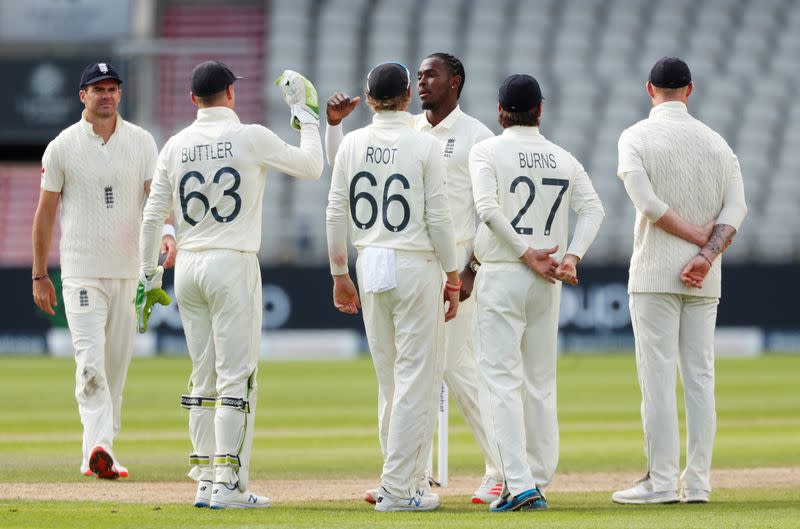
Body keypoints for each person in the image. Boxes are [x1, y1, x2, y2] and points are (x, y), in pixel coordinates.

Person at [137, 60, 323, 509]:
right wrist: (309, 117)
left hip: (188, 267)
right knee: (236, 377)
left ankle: (204, 478)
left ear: (193, 99)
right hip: (232, 262)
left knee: (203, 376)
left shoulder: (175, 145)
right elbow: (313, 166)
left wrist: (148, 275)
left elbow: (150, 216)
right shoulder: (250, 136)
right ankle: (228, 484)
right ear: (231, 94)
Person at [325, 52, 503, 505]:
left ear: (369, 99)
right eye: (418, 78)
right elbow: (434, 215)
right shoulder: (417, 137)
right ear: (405, 96)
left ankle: (498, 467)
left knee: (439, 372)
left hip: (431, 262)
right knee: (404, 380)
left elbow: (489, 211)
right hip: (421, 261)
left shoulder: (475, 136)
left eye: (432, 75)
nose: (424, 83)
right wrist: (448, 272)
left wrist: (468, 269)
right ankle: (404, 479)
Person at [32, 62, 177, 480]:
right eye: (97, 89)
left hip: (129, 273)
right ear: (83, 96)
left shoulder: (142, 142)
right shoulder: (61, 146)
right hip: (81, 272)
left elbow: (157, 197)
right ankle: (100, 449)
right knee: (90, 364)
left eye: (112, 88)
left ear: (120, 94)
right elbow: (44, 214)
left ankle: (99, 450)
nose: (106, 95)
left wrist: (167, 232)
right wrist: (40, 275)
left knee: (114, 369)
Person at [612, 57, 747, 505]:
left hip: (654, 274)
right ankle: (699, 484)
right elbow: (736, 211)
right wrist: (706, 254)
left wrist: (692, 239)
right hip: (704, 278)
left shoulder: (634, 136)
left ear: (650, 89)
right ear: (690, 90)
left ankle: (662, 482)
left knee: (658, 379)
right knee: (700, 378)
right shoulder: (718, 144)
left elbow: (646, 202)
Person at [469, 74, 604, 512]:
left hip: (507, 270)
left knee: (502, 382)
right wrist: (573, 257)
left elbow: (487, 209)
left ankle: (520, 483)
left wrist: (526, 252)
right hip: (549, 278)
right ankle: (538, 477)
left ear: (499, 110)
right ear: (540, 110)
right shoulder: (563, 157)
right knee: (540, 382)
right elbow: (593, 209)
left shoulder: (485, 150)